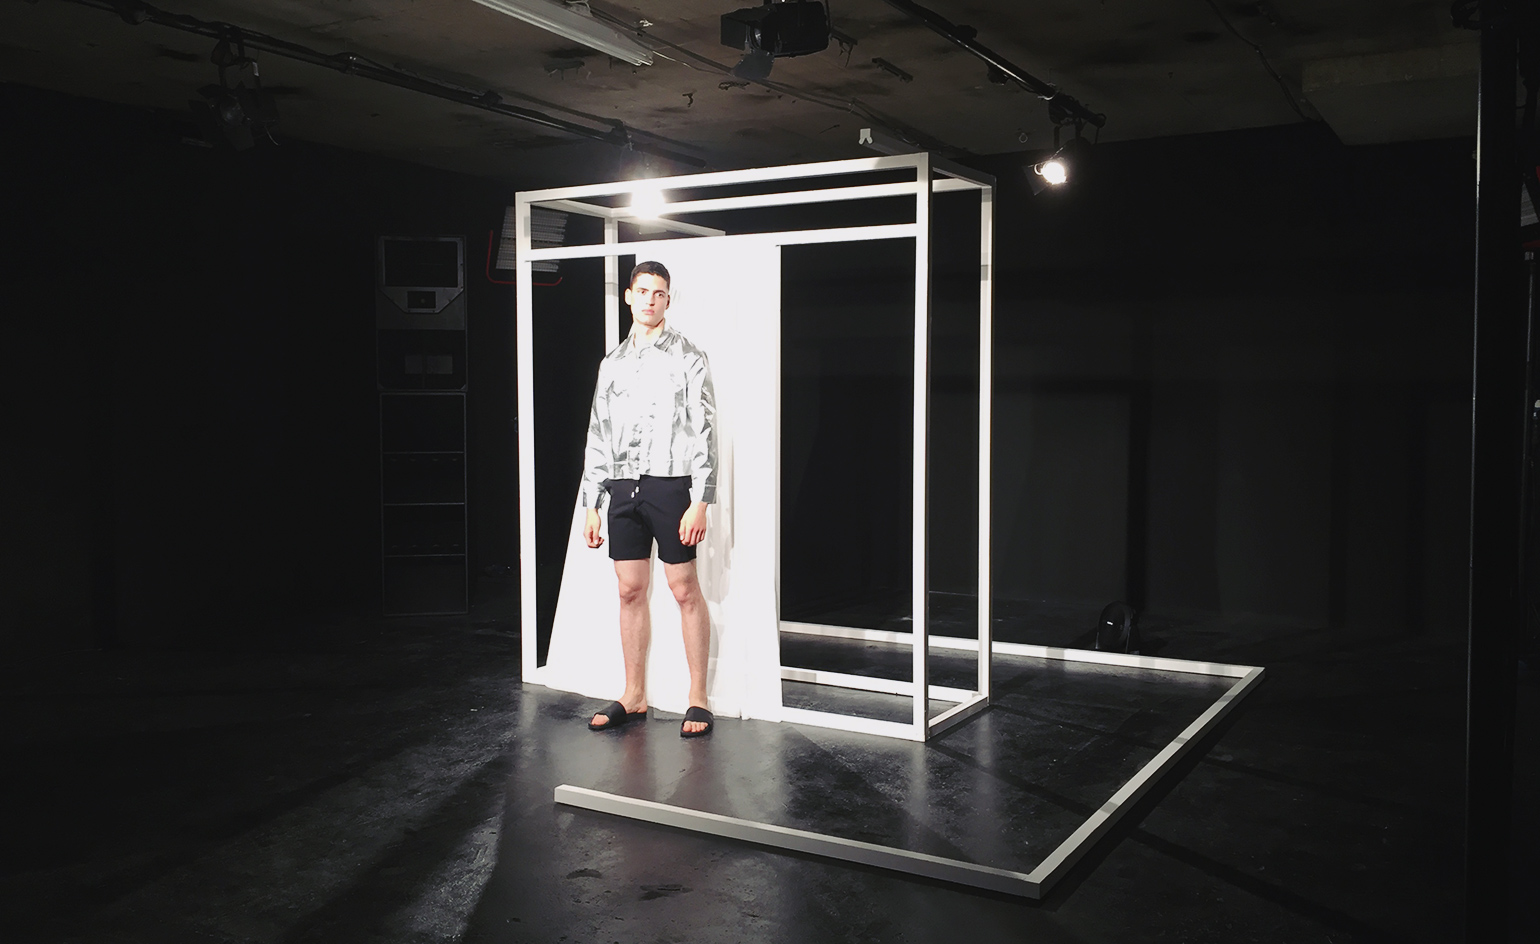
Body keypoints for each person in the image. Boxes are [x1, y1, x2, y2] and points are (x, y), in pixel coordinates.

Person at [579, 261, 717, 738]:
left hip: (669, 484)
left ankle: (698, 698)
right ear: (629, 296)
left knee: (683, 588)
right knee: (629, 590)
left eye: (659, 294)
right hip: (622, 485)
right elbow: (598, 432)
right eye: (642, 292)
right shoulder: (612, 363)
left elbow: (705, 429)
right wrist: (592, 503)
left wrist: (701, 500)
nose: (650, 301)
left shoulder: (689, 356)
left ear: (668, 300)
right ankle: (633, 694)